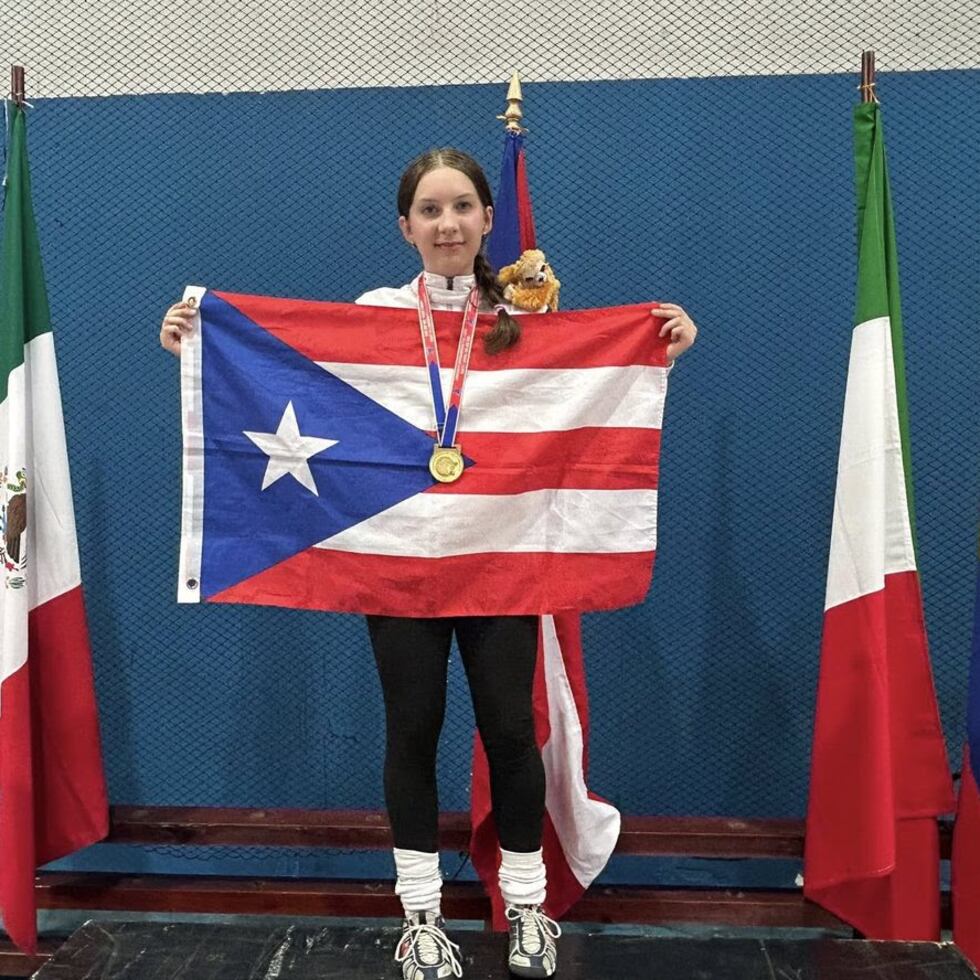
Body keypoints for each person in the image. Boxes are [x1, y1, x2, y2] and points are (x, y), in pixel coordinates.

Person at [160, 147, 697, 980]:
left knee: (512, 734)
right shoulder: (374, 316)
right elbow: (277, 370)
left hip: (499, 559)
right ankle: (420, 919)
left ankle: (527, 909)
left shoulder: (530, 309)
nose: (448, 223)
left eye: (462, 207)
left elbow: (593, 385)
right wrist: (199, 348)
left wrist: (664, 344)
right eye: (431, 210)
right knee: (413, 731)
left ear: (488, 219)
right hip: (400, 562)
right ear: (406, 227)